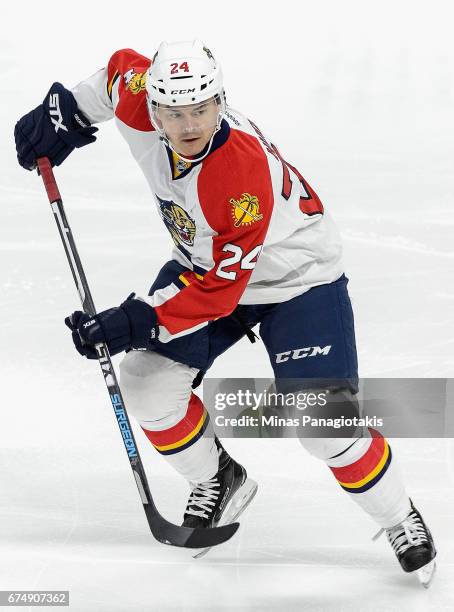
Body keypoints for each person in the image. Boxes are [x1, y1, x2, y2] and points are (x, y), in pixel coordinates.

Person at [15, 40, 436, 581]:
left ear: (219, 102)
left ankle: (400, 517)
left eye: (201, 110)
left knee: (324, 425)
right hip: (207, 261)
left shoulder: (236, 175)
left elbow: (218, 292)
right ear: (154, 108)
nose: (189, 125)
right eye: (174, 112)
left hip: (295, 278)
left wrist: (132, 320)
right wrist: (65, 112)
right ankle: (217, 477)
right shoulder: (140, 96)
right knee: (145, 384)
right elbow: (117, 72)